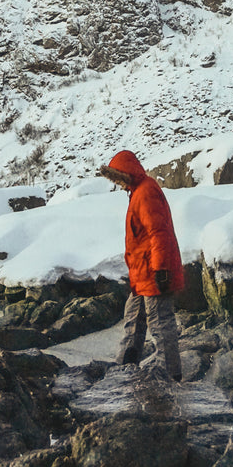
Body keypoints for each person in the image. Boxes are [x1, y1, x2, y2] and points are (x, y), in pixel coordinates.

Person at [99, 150, 184, 380]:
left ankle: (171, 378)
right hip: (143, 275)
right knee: (134, 320)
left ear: (127, 172)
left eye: (118, 177)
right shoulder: (138, 191)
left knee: (160, 325)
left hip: (154, 273)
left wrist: (161, 271)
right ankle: (124, 371)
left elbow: (159, 234)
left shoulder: (145, 192)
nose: (117, 183)